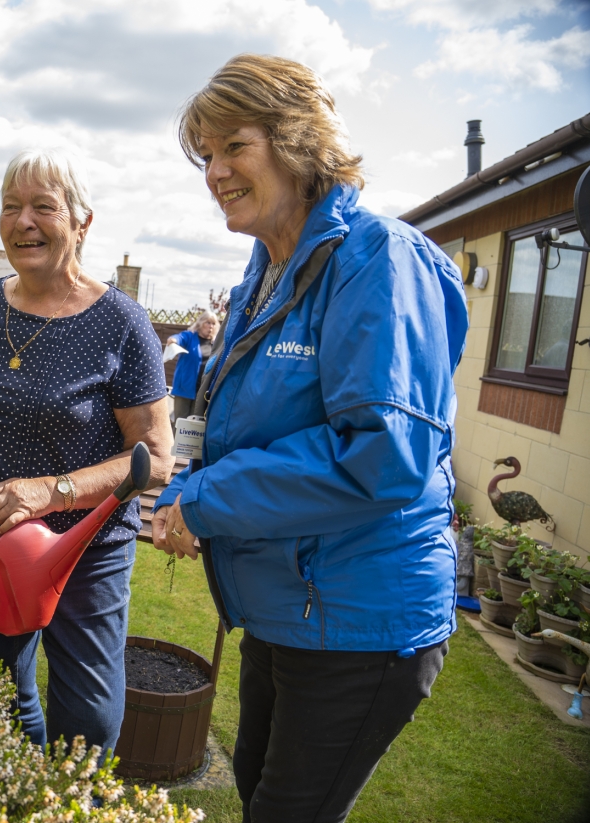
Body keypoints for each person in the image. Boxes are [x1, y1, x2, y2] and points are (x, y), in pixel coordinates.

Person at [151, 55, 467, 823]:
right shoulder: (269, 267)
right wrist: (184, 490)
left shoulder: (377, 259)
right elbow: (238, 422)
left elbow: (380, 457)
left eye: (234, 145)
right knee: (259, 791)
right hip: (286, 608)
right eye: (206, 154)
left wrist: (206, 500)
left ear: (295, 139)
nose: (214, 172)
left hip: (361, 620)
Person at [0, 148, 174, 756]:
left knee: (85, 716)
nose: (22, 221)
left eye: (43, 207)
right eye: (11, 207)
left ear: (82, 222)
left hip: (83, 547)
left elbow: (155, 458)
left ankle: (68, 803)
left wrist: (50, 490)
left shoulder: (122, 322)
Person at [166, 311, 220, 422]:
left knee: (195, 426)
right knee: (180, 423)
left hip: (202, 392)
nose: (211, 326)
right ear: (200, 323)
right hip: (185, 388)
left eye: (213, 323)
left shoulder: (215, 343)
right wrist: (174, 340)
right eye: (208, 322)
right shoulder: (190, 336)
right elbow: (179, 337)